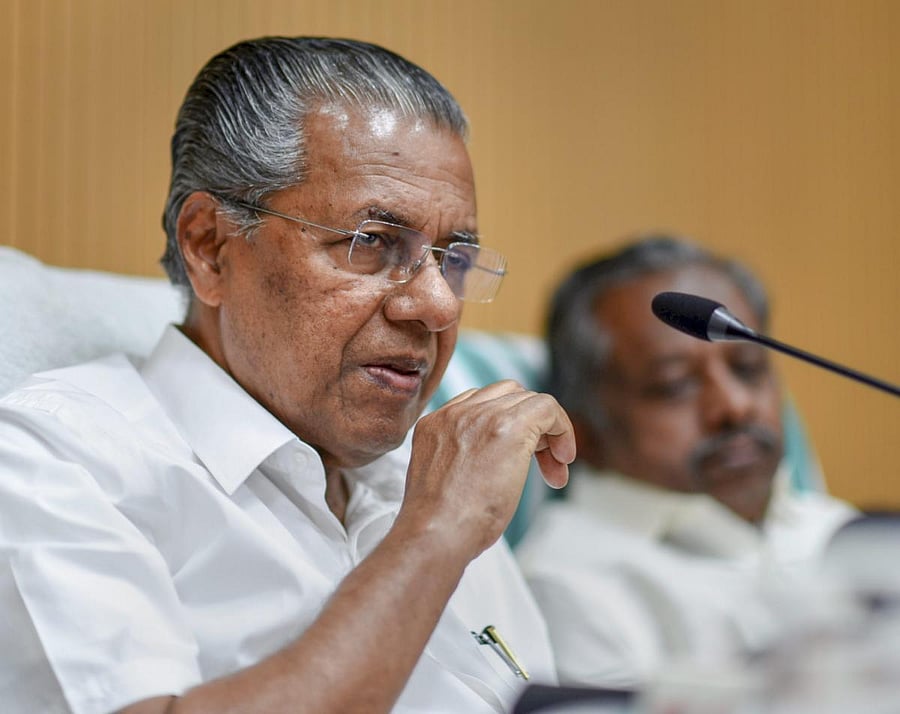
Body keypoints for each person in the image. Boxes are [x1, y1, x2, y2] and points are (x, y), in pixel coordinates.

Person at [0, 37, 575, 714]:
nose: (438, 305)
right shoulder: (60, 460)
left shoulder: (430, 476)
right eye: (373, 243)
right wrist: (434, 536)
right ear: (209, 248)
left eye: (453, 260)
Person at [515, 236, 856, 689]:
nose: (733, 406)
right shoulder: (570, 586)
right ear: (582, 432)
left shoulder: (844, 534)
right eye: (674, 385)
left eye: (749, 367)